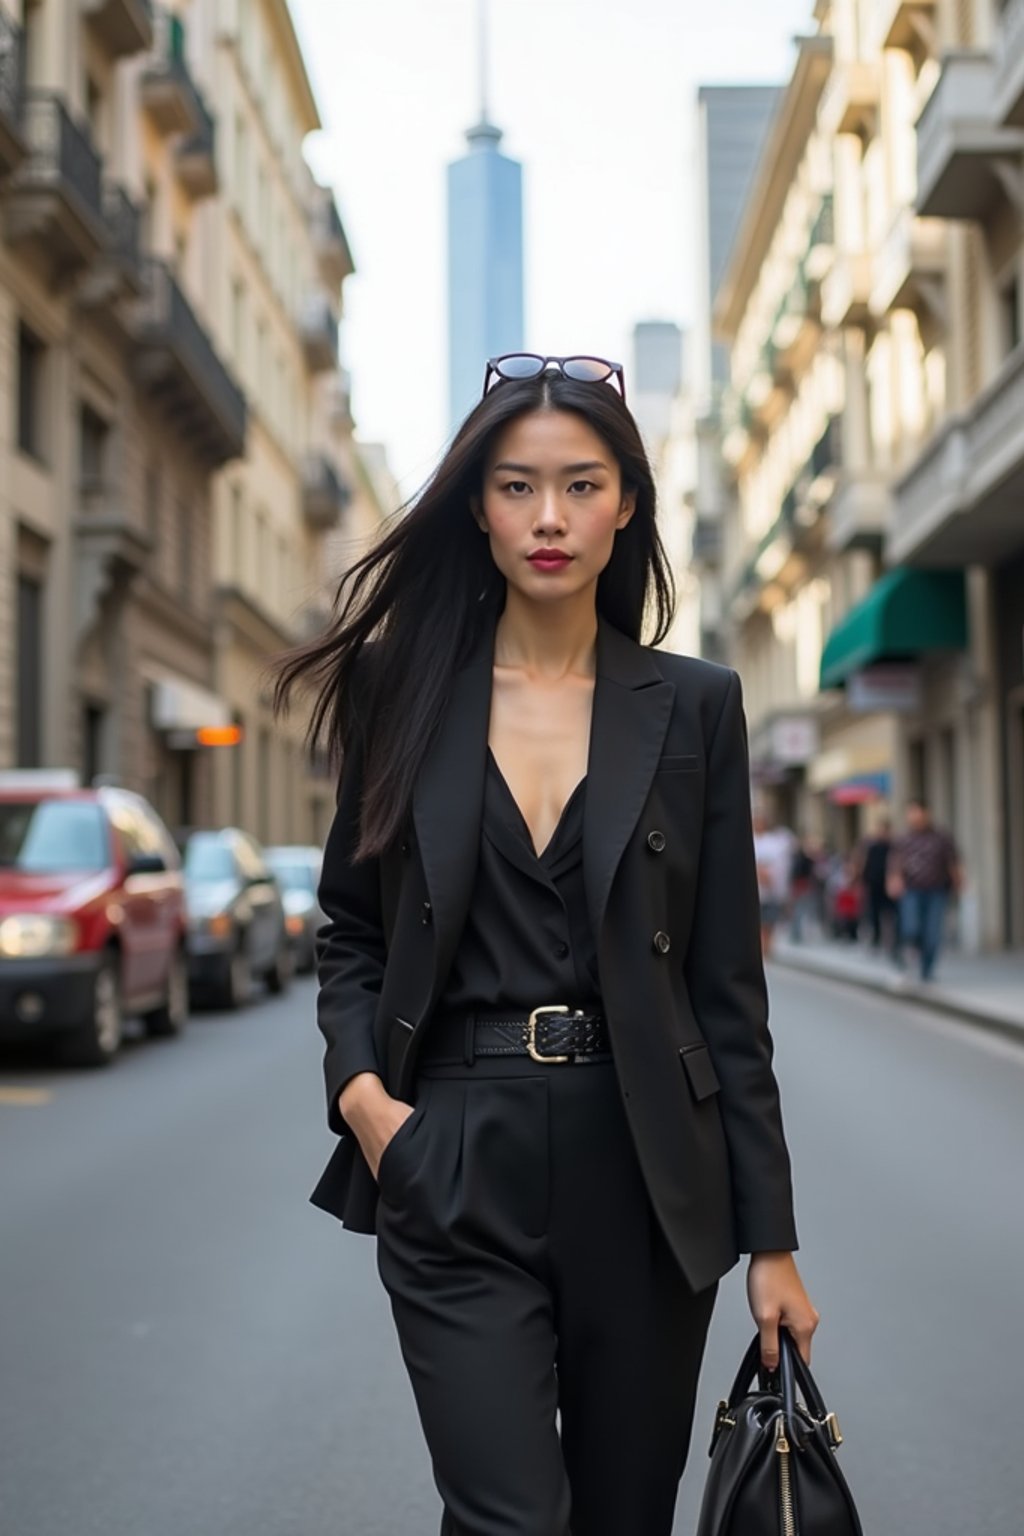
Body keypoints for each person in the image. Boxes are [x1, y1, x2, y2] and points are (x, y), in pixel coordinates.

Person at [273, 353, 817, 1536]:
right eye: (518, 487)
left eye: (581, 485)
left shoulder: (696, 706)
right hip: (451, 1152)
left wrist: (769, 1240)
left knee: (623, 1517)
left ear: (626, 502)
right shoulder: (397, 691)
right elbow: (350, 931)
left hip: (647, 1167)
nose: (550, 518)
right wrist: (368, 1105)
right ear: (478, 505)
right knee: (511, 1519)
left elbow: (728, 994)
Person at [887, 799, 962, 982]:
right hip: (911, 890)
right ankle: (908, 953)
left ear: (927, 814)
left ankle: (927, 969)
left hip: (936, 891)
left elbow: (953, 862)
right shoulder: (903, 839)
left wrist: (959, 881)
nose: (914, 817)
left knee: (933, 933)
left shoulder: (941, 838)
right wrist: (893, 880)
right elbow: (895, 863)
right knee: (911, 926)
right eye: (911, 813)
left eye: (918, 812)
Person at [752, 809, 796, 957]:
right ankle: (761, 950)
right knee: (757, 923)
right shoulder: (749, 840)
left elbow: (781, 867)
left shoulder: (774, 843)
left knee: (769, 923)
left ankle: (767, 950)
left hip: (770, 892)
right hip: (754, 892)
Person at [855, 816, 897, 954]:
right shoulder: (872, 847)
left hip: (889, 886)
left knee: (891, 913)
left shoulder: (893, 847)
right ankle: (877, 938)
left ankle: (893, 940)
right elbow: (864, 864)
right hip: (874, 885)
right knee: (874, 913)